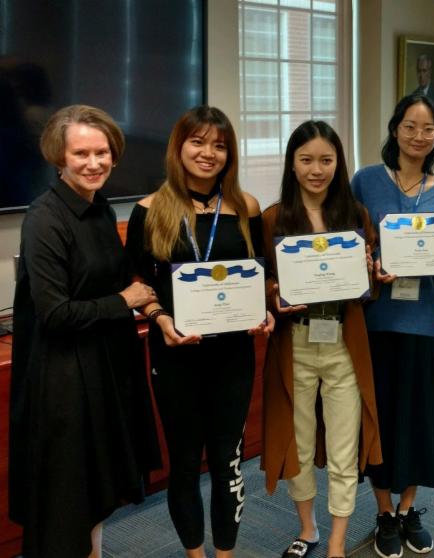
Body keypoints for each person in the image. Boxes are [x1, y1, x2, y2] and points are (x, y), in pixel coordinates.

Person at [9, 104, 161, 557]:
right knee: (66, 501)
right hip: (63, 380)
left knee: (96, 490)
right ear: (60, 157)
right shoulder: (44, 218)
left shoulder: (96, 209)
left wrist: (141, 293)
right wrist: (125, 301)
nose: (94, 163)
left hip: (102, 368)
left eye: (102, 152)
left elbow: (107, 277)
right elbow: (55, 313)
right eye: (81, 154)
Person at [125, 105, 273, 558]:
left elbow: (261, 276)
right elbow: (136, 282)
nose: (208, 153)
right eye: (198, 142)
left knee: (228, 459)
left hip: (233, 357)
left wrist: (267, 308)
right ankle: (194, 554)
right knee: (185, 465)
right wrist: (159, 318)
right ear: (179, 146)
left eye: (220, 145)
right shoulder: (149, 209)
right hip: (175, 356)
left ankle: (225, 555)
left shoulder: (245, 207)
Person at [351, 93, 434, 558]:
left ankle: (407, 509)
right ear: (395, 129)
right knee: (381, 418)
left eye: (428, 128)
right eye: (410, 126)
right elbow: (352, 245)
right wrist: (368, 264)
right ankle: (382, 511)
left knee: (419, 419)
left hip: (423, 322)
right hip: (378, 321)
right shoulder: (365, 181)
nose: (419, 136)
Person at [261, 120, 383, 558]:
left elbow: (369, 290)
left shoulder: (356, 216)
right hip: (295, 344)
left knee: (345, 446)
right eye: (307, 160)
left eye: (326, 160)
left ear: (338, 163)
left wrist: (371, 272)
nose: (317, 169)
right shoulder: (273, 218)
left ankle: (336, 542)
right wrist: (275, 293)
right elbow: (264, 283)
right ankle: (309, 529)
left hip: (343, 345)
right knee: (299, 441)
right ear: (292, 165)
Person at [411, 54, 434, 124]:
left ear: (430, 72)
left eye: (424, 71)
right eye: (419, 71)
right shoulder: (413, 95)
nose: (421, 75)